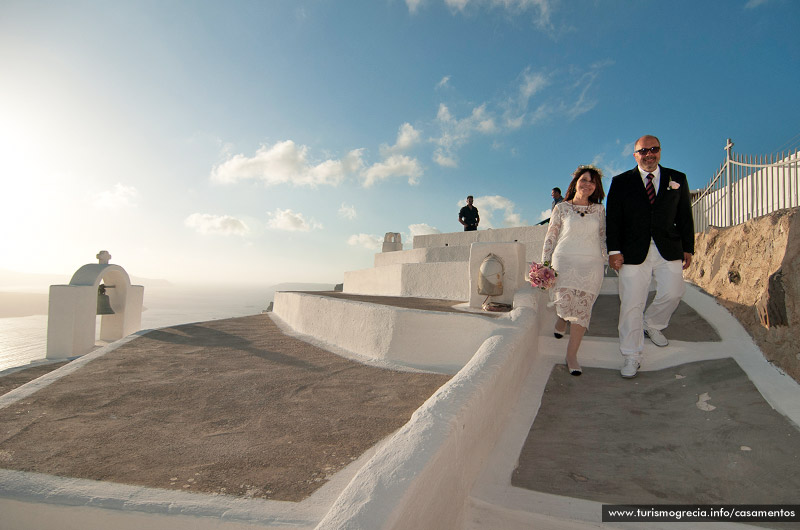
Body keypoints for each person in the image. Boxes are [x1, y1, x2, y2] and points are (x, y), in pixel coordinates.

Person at [605, 135, 695, 379]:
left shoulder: (678, 178)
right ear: (635, 155)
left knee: (674, 292)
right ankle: (631, 354)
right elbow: (613, 219)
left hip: (669, 248)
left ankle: (652, 324)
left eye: (653, 149)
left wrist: (688, 247)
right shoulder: (621, 182)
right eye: (643, 151)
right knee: (632, 304)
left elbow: (685, 215)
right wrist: (614, 251)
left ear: (660, 151)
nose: (648, 154)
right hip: (633, 252)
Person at [541, 165, 607, 376]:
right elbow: (551, 236)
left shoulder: (599, 210)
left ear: (596, 187)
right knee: (565, 303)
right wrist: (545, 264)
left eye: (592, 181)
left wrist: (609, 259)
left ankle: (571, 356)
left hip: (591, 264)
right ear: (576, 182)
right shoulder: (561, 208)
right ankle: (561, 319)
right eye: (584, 179)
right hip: (565, 262)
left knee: (582, 311)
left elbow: (603, 236)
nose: (587, 184)